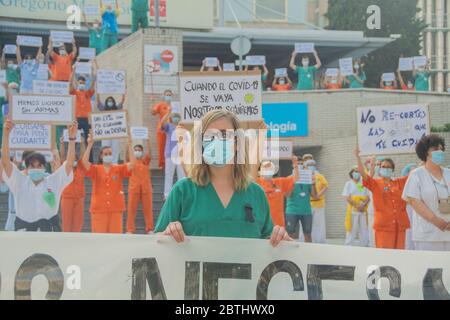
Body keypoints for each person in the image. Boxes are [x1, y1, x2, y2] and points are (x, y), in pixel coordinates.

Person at [154, 110, 291, 247]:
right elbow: (156, 241)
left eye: (225, 135)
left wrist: (279, 239)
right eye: (209, 136)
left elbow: (269, 243)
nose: (218, 141)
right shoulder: (183, 191)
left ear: (238, 144)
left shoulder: (256, 194)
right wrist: (168, 234)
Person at [1, 119, 77, 231]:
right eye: (32, 166)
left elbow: (69, 164)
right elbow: (6, 162)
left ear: (44, 167)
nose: (36, 169)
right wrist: (6, 135)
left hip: (49, 231)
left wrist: (71, 139)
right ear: (26, 168)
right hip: (24, 232)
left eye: (39, 165)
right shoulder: (19, 181)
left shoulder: (53, 181)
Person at [403, 135, 450, 251]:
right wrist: (437, 221)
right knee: (430, 268)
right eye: (435, 149)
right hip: (428, 235)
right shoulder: (416, 174)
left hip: (448, 233)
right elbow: (414, 201)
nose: (440, 152)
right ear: (425, 153)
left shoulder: (448, 173)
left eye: (441, 149)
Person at [355, 148, 410, 249]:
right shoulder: (375, 183)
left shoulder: (399, 182)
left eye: (389, 167)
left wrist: (425, 156)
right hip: (383, 226)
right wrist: (358, 157)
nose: (386, 168)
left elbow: (413, 174)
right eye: (383, 166)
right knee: (384, 255)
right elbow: (363, 174)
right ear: (380, 169)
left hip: (399, 227)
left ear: (392, 170)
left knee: (399, 256)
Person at [82, 133, 136, 234]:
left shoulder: (118, 169)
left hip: (115, 209)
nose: (108, 156)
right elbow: (84, 162)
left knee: (115, 240)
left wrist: (130, 144)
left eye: (110, 154)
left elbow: (132, 164)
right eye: (106, 154)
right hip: (99, 210)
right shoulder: (96, 169)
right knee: (99, 240)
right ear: (101, 156)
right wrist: (89, 145)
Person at [255, 158, 298, 228]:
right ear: (261, 171)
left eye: (269, 169)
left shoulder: (279, 182)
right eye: (265, 168)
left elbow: (296, 179)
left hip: (278, 223)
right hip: (261, 222)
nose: (267, 171)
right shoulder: (256, 183)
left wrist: (295, 165)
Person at [126, 133, 153, 234]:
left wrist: (148, 141)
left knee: (148, 210)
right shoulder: (131, 162)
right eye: (135, 150)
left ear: (142, 152)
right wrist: (129, 142)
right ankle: (130, 229)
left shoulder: (145, 161)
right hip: (134, 188)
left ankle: (149, 228)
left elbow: (150, 154)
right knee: (131, 210)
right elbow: (127, 155)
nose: (137, 151)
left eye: (139, 150)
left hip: (146, 188)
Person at [285, 159, 318, 243]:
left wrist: (313, 183)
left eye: (300, 164)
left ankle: (308, 254)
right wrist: (292, 182)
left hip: (306, 211)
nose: (299, 165)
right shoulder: (289, 178)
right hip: (292, 211)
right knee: (290, 234)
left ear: (303, 166)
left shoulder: (308, 179)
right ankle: (288, 255)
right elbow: (287, 195)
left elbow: (315, 196)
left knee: (308, 234)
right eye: (297, 164)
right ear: (293, 166)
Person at [59, 134, 87, 232]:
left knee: (78, 224)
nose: (73, 160)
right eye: (72, 159)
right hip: (67, 198)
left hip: (79, 198)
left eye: (75, 158)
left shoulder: (81, 167)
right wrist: (61, 143)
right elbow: (62, 156)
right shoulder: (65, 167)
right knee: (66, 223)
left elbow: (83, 156)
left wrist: (83, 143)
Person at [70, 60, 97, 151]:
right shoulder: (74, 93)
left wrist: (93, 71)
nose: (81, 84)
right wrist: (73, 71)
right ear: (77, 83)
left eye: (83, 83)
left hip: (87, 119)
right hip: (77, 119)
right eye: (80, 82)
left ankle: (90, 160)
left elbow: (93, 83)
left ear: (85, 84)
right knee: (75, 140)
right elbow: (70, 85)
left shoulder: (88, 93)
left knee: (89, 140)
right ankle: (74, 158)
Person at [160, 109, 185, 200]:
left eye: (177, 117)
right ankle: (167, 195)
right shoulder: (169, 126)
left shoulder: (183, 127)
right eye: (174, 117)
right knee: (169, 175)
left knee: (182, 176)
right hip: (170, 155)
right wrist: (167, 113)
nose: (176, 118)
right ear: (171, 118)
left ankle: (182, 194)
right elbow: (162, 123)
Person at [342, 167, 370, 246]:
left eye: (358, 171)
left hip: (363, 210)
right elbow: (347, 197)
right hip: (352, 211)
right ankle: (348, 245)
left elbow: (367, 196)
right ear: (352, 173)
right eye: (355, 171)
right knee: (351, 229)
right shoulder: (349, 184)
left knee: (364, 229)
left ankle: (364, 245)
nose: (356, 173)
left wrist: (363, 205)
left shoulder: (362, 184)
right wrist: (357, 205)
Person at [97, 93, 126, 164]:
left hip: (115, 133)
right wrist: (98, 93)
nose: (110, 102)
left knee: (115, 148)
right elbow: (98, 102)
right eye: (109, 101)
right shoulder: (103, 109)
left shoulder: (116, 108)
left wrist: (123, 93)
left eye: (111, 101)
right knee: (105, 147)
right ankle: (105, 162)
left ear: (113, 102)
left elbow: (122, 102)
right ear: (106, 102)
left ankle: (114, 163)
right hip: (105, 133)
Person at [305, 159, 329, 243]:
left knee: (319, 224)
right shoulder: (304, 176)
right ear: (306, 166)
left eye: (313, 165)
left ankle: (320, 242)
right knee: (307, 225)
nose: (311, 166)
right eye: (309, 165)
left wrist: (319, 195)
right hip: (308, 204)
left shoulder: (319, 176)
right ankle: (308, 241)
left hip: (319, 203)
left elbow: (326, 186)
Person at [151, 90, 173, 169]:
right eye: (167, 95)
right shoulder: (160, 105)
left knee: (172, 146)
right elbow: (153, 112)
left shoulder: (174, 106)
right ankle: (161, 164)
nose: (168, 96)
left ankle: (171, 163)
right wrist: (152, 103)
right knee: (161, 146)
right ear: (163, 96)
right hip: (162, 129)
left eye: (170, 95)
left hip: (172, 129)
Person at [401, 163, 418, 250]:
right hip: (408, 208)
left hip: (418, 209)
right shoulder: (404, 183)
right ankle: (408, 247)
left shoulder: (419, 181)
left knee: (416, 227)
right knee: (409, 228)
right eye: (411, 172)